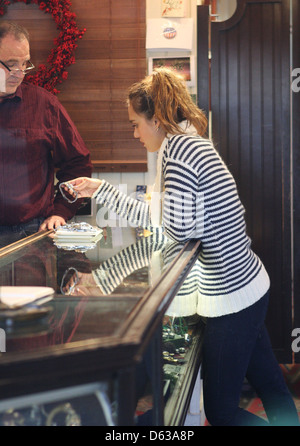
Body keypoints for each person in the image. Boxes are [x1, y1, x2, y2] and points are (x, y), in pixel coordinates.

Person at [62, 67, 299, 426]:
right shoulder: (185, 145)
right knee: (271, 386)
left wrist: (110, 270)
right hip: (246, 286)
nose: (134, 133)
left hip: (232, 295)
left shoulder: (181, 153)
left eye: (135, 123)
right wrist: (101, 189)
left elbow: (176, 228)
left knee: (220, 412)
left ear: (156, 119)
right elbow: (172, 220)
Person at [0, 21, 92, 247]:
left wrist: (60, 211)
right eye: (11, 64)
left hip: (31, 234)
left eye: (24, 63)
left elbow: (78, 163)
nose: (19, 73)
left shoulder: (44, 104)